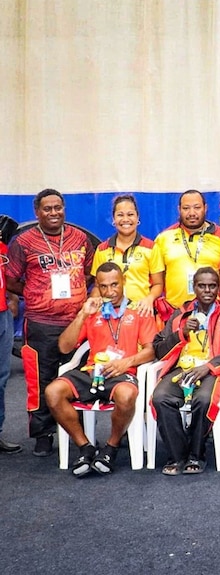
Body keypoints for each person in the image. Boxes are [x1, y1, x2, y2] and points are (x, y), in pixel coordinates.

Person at [5, 189, 95, 456]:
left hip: (76, 322)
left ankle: (77, 431)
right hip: (40, 324)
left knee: (77, 378)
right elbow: (10, 278)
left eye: (58, 207)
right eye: (47, 209)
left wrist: (78, 293)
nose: (54, 213)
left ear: (64, 209)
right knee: (41, 381)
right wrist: (32, 293)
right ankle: (43, 434)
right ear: (37, 212)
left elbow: (90, 271)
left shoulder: (80, 237)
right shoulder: (24, 242)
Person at [44, 262, 157, 476]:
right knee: (52, 392)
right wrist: (82, 315)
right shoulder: (93, 311)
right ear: (97, 286)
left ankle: (110, 448)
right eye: (104, 286)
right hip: (92, 371)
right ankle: (85, 447)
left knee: (126, 394)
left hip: (122, 372)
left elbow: (152, 351)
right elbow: (64, 346)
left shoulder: (139, 310)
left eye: (115, 285)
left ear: (124, 282)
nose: (110, 291)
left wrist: (127, 362)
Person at [151, 267, 220, 475]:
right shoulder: (180, 315)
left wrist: (208, 366)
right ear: (194, 287)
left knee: (203, 400)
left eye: (212, 286)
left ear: (219, 289)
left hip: (211, 372)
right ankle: (176, 455)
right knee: (160, 397)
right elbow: (158, 348)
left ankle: (196, 454)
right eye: (202, 286)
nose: (207, 290)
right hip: (181, 370)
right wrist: (180, 333)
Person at [153, 190, 220, 312]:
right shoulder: (163, 238)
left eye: (197, 207)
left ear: (205, 208)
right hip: (174, 313)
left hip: (212, 313)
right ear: (179, 209)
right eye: (186, 208)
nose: (192, 213)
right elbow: (156, 280)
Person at [91, 195, 164, 317]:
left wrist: (149, 299)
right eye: (120, 215)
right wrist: (94, 300)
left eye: (130, 214)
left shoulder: (151, 247)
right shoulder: (102, 249)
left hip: (141, 313)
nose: (125, 219)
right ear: (113, 219)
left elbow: (158, 284)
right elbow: (98, 286)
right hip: (110, 314)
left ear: (137, 217)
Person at [0, 239, 21, 453]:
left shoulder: (3, 247)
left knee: (1, 377)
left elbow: (9, 276)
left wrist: (13, 298)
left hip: (3, 315)